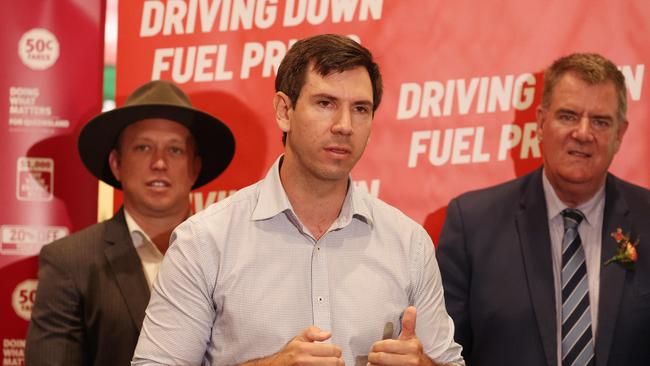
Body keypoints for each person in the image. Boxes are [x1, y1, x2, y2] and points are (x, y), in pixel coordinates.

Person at [132, 34, 464, 366]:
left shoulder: (409, 244)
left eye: (360, 109)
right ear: (284, 111)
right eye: (325, 103)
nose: (344, 125)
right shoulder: (204, 241)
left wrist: (425, 364)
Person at [436, 52, 650, 366]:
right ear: (540, 122)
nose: (583, 133)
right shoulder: (472, 225)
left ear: (619, 134)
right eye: (568, 116)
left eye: (601, 121)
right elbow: (445, 353)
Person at [25, 80, 235, 366]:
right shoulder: (69, 262)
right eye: (143, 147)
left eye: (174, 150)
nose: (159, 163)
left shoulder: (232, 254)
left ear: (194, 167)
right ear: (116, 164)